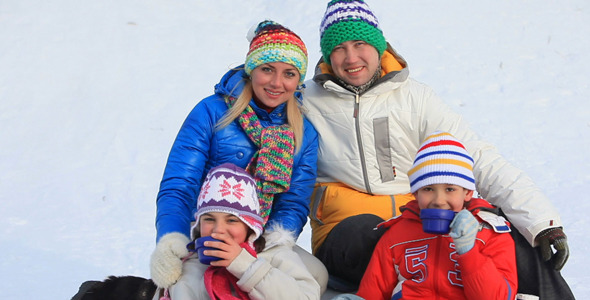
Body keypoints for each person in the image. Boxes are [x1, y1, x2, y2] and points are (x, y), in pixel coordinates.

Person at [302, 0, 568, 292]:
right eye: (338, 48)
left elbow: (476, 156)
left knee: (500, 228)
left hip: (424, 217)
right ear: (328, 55)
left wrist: (541, 221)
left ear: (379, 46)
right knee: (367, 230)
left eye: (359, 43)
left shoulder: (414, 98)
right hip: (346, 233)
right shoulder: (306, 102)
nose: (351, 58)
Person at [150, 20, 327, 294]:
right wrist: (172, 241)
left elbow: (293, 202)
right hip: (208, 234)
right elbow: (180, 185)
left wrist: (266, 247)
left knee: (315, 277)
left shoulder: (304, 132)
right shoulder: (212, 113)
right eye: (267, 69)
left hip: (259, 239)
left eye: (289, 74)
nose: (277, 83)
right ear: (252, 69)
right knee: (192, 287)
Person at [350, 131, 518, 300]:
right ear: (415, 193)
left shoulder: (490, 234)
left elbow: (499, 297)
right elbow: (373, 292)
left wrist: (469, 251)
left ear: (467, 192)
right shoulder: (396, 235)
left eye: (450, 189)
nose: (439, 200)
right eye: (428, 189)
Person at [152, 163, 321, 299]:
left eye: (232, 220)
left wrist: (245, 265)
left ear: (250, 226)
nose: (218, 230)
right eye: (209, 219)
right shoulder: (189, 267)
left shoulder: (276, 256)